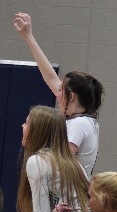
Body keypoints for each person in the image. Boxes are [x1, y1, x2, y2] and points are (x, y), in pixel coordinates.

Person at [14, 13, 104, 180]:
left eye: (61, 90)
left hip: (70, 201)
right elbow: (50, 78)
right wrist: (28, 36)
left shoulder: (79, 124)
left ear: (72, 97)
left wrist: (35, 146)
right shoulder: (84, 119)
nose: (57, 93)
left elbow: (60, 164)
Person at [17, 106, 90, 212]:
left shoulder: (38, 161)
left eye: (27, 123)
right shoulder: (75, 163)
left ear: (38, 131)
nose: (23, 125)